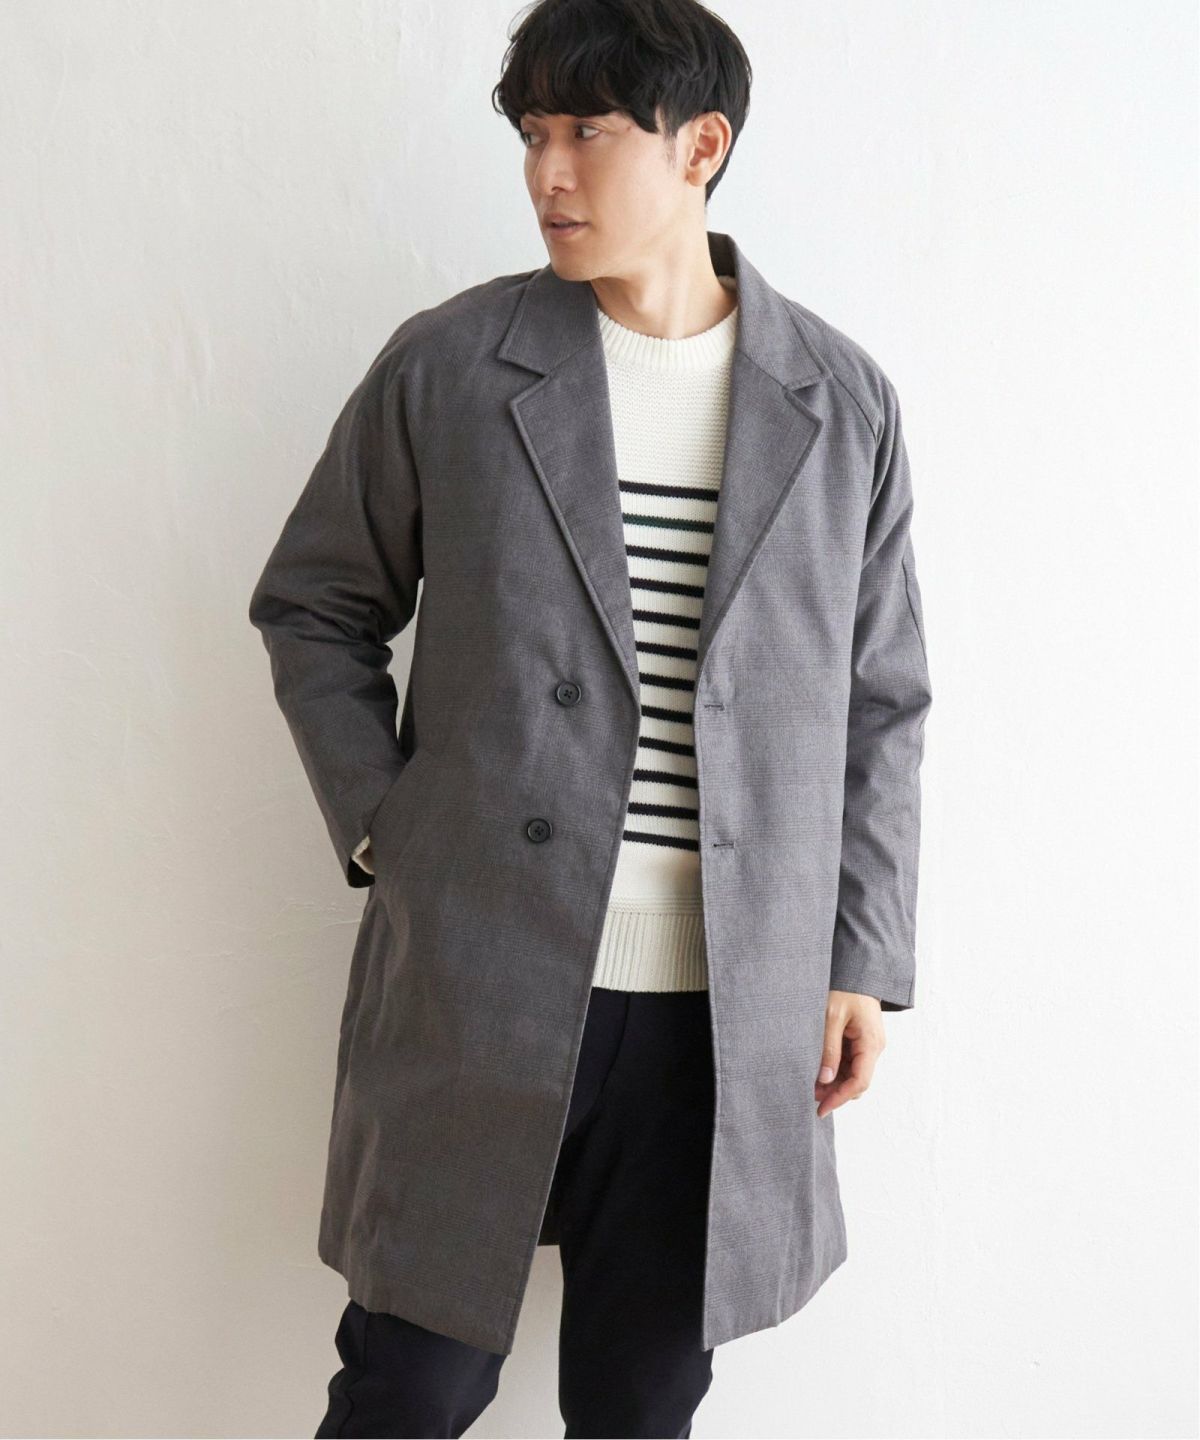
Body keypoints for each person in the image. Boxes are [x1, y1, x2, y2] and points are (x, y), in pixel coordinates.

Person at [248, 1, 933, 1435]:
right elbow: (315, 603)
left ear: (701, 146)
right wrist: (389, 832)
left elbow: (881, 701)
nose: (547, 173)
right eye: (531, 135)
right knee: (410, 1388)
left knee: (639, 1407)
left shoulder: (838, 402)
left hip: (724, 1011)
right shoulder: (453, 365)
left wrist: (861, 956)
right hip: (481, 974)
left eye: (588, 132)